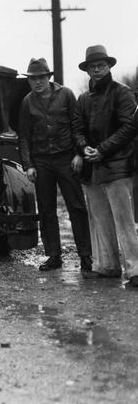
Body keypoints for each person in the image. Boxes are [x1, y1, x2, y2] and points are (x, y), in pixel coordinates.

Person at [71, 45, 138, 286]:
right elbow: (77, 129)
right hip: (93, 168)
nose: (97, 69)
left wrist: (102, 150)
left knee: (124, 220)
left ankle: (135, 269)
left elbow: (130, 127)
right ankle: (107, 266)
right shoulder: (83, 99)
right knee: (99, 219)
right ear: (87, 70)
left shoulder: (123, 93)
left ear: (109, 66)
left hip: (118, 166)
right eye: (92, 66)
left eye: (101, 65)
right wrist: (84, 148)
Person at [18, 57, 92, 272]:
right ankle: (53, 256)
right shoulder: (27, 102)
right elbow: (24, 135)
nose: (37, 82)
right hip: (41, 162)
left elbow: (78, 126)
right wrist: (28, 164)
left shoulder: (66, 94)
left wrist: (79, 154)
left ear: (48, 77)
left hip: (66, 159)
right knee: (47, 210)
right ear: (29, 81)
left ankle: (86, 257)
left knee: (76, 207)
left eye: (41, 78)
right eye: (32, 79)